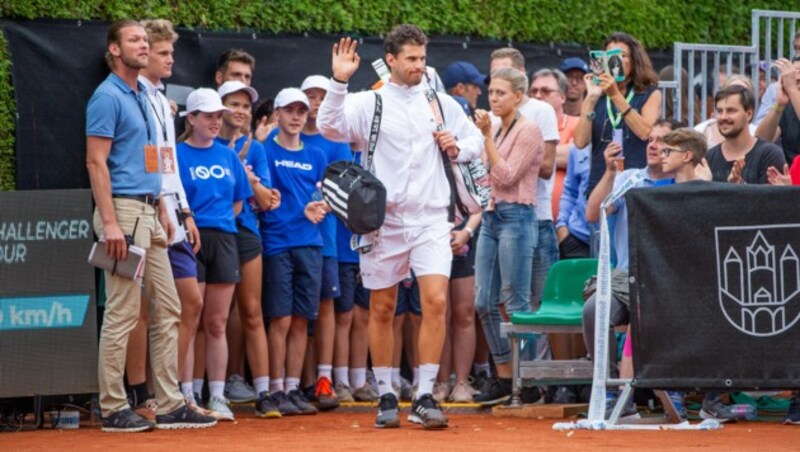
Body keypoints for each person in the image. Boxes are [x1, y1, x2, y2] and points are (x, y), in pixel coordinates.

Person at [317, 25, 484, 429]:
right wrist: (339, 80)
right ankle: (388, 393)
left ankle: (425, 394)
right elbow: (328, 126)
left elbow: (476, 141)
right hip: (383, 220)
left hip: (431, 218)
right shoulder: (368, 101)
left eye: (422, 59)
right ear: (390, 59)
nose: (418, 66)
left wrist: (457, 147)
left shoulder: (443, 103)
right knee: (383, 307)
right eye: (410, 59)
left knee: (436, 302)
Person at [86, 20, 216, 432]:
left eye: (146, 40)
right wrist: (109, 223)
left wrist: (163, 204)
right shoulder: (106, 97)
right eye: (134, 40)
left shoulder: (144, 93)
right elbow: (96, 162)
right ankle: (112, 406)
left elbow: (150, 156)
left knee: (170, 307)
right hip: (122, 215)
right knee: (123, 311)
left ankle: (170, 402)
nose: (143, 45)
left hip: (151, 213)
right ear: (114, 49)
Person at [126, 19, 206, 420]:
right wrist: (160, 201)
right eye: (162, 52)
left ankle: (172, 392)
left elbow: (167, 163)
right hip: (145, 210)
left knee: (187, 303)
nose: (169, 58)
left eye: (170, 52)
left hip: (171, 213)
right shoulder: (135, 96)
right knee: (140, 308)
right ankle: (144, 396)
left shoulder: (161, 100)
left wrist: (184, 210)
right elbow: (144, 161)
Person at [582, 119, 678, 417]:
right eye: (650, 139)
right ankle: (610, 390)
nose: (653, 144)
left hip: (672, 287)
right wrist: (610, 173)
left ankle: (688, 394)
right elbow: (592, 213)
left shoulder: (684, 184)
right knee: (593, 309)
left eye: (662, 140)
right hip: (627, 281)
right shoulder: (628, 179)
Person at [177, 88, 253, 421]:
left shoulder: (227, 156)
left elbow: (238, 202)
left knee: (217, 322)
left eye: (217, 116)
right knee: (189, 320)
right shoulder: (176, 154)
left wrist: (216, 221)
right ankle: (186, 394)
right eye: (207, 116)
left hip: (224, 239)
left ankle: (218, 396)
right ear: (191, 119)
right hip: (187, 240)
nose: (214, 121)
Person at [471, 67, 544, 406]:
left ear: (518, 96)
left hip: (517, 216)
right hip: (492, 216)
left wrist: (485, 137)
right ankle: (505, 376)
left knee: (516, 303)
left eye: (501, 93)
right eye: (492, 93)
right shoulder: (499, 130)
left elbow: (506, 174)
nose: (494, 99)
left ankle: (526, 379)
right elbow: (489, 178)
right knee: (484, 301)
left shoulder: (528, 130)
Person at [215, 80, 282, 418]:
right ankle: (205, 391)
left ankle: (265, 392)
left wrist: (247, 175)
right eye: (234, 104)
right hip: (213, 235)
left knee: (252, 313)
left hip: (246, 235)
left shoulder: (255, 148)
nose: (240, 111)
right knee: (210, 318)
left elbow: (267, 201)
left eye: (245, 106)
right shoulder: (201, 143)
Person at [261, 88, 328, 416]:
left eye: (301, 111)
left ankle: (291, 387)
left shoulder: (316, 155)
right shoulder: (264, 151)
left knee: (302, 319)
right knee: (281, 319)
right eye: (290, 110)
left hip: (311, 244)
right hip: (277, 243)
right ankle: (274, 389)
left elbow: (323, 196)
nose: (297, 116)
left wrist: (319, 207)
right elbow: (260, 196)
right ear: (277, 114)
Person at [488, 48, 558, 362]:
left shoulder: (539, 113)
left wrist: (502, 156)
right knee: (496, 301)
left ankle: (537, 380)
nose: (494, 89)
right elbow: (485, 174)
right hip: (495, 215)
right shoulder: (490, 119)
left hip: (535, 216)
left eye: (503, 76)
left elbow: (544, 167)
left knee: (539, 304)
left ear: (520, 84)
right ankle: (512, 375)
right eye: (491, 81)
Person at [299, 74, 353, 410]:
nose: (316, 104)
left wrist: (322, 207)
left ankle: (324, 378)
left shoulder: (336, 139)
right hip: (289, 241)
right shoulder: (277, 138)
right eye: (311, 98)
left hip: (327, 241)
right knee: (297, 313)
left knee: (325, 307)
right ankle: (299, 382)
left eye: (322, 97)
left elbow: (347, 186)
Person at [573, 32, 662, 196]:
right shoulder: (597, 94)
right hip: (601, 182)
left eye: (622, 55)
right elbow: (580, 142)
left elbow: (646, 132)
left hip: (636, 183)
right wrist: (591, 98)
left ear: (635, 62)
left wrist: (615, 95)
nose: (616, 60)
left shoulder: (648, 93)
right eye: (610, 56)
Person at [705, 85, 785, 184]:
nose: (723, 117)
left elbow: (770, 198)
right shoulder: (708, 158)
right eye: (720, 111)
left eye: (731, 111)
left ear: (749, 114)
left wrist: (740, 184)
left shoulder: (769, 155)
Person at [529, 68, 579, 220]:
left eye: (546, 91)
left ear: (563, 96)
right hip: (526, 220)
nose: (538, 96)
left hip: (568, 223)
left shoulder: (578, 124)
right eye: (534, 91)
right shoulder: (521, 126)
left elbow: (576, 156)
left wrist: (525, 154)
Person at [755, 56, 800, 166]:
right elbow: (761, 141)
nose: (795, 80)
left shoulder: (793, 91)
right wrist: (778, 105)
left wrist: (792, 89)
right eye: (791, 76)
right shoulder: (789, 105)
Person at [695, 76, 759, 147]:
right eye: (731, 91)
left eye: (731, 111)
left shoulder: (757, 133)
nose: (724, 117)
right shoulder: (702, 129)